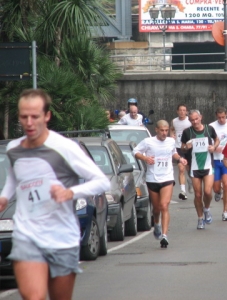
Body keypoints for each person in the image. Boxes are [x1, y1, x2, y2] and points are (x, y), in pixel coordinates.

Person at [0, 89, 110, 300]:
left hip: (61, 236)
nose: (29, 122)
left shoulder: (65, 147)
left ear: (47, 116)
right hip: (27, 235)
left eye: (35, 116)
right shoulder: (14, 148)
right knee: (34, 297)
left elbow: (101, 181)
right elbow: (15, 179)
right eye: (24, 116)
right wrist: (4, 197)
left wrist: (70, 192)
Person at [133, 120, 187, 248]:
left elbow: (173, 152)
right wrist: (145, 158)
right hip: (152, 178)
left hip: (167, 177)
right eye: (162, 130)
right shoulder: (148, 142)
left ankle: (164, 236)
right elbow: (135, 152)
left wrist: (180, 158)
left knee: (164, 205)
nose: (164, 133)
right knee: (156, 208)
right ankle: (156, 222)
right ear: (156, 130)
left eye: (166, 130)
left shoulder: (171, 141)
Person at [181, 109, 219, 230]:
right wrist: (186, 147)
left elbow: (217, 139)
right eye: (192, 120)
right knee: (198, 195)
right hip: (194, 167)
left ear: (201, 117)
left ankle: (206, 209)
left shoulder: (209, 129)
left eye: (196, 119)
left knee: (208, 192)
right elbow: (182, 147)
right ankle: (200, 218)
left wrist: (214, 147)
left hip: (208, 165)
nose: (195, 122)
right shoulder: (187, 132)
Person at [209, 107, 227, 221]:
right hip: (215, 160)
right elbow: (208, 143)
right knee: (215, 187)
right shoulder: (211, 126)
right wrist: (215, 148)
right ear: (216, 116)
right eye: (219, 117)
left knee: (226, 184)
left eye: (223, 117)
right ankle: (217, 192)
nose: (221, 120)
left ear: (226, 115)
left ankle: (225, 212)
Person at [170, 104, 192, 200]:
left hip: (189, 147)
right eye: (180, 110)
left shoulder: (190, 121)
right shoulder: (174, 121)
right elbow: (171, 129)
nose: (182, 112)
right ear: (177, 111)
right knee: (181, 168)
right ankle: (183, 191)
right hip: (179, 147)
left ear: (186, 111)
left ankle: (190, 181)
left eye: (184, 110)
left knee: (189, 168)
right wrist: (172, 136)